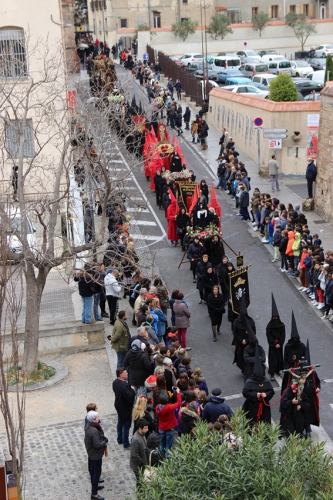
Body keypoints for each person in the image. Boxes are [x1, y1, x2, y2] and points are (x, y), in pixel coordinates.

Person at [242, 343, 274, 427]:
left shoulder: (265, 381)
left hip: (264, 406)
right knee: (252, 423)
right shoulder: (249, 382)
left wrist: (266, 394)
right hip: (252, 406)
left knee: (265, 423)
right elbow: (245, 392)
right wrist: (255, 395)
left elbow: (271, 391)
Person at [85, 410, 108, 500]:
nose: (99, 418)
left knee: (93, 472)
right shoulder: (94, 431)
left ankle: (94, 486)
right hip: (96, 455)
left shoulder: (88, 426)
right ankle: (94, 494)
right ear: (94, 420)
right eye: (97, 417)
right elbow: (97, 444)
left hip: (92, 453)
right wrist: (105, 441)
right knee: (96, 473)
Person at [232, 296, 256, 378]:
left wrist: (247, 340)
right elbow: (235, 333)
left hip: (249, 344)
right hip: (240, 344)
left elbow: (253, 333)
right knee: (241, 358)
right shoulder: (237, 322)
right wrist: (241, 340)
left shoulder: (251, 322)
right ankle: (243, 370)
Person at [112, 367, 135, 450]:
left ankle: (120, 439)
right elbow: (129, 397)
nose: (127, 373)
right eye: (125, 373)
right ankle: (126, 443)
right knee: (126, 425)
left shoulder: (115, 382)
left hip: (118, 405)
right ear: (121, 375)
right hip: (125, 407)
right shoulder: (124, 386)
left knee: (120, 422)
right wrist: (132, 390)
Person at [155, 389, 182, 457]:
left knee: (162, 443)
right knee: (168, 445)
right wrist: (178, 393)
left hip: (161, 427)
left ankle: (161, 455)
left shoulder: (157, 407)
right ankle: (167, 458)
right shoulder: (169, 407)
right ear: (167, 400)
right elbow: (179, 403)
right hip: (169, 428)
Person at [266, 294, 285, 381]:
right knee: (272, 359)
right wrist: (274, 344)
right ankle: (272, 373)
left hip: (279, 345)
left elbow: (283, 335)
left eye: (277, 317)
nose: (275, 319)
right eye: (274, 317)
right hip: (273, 346)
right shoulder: (269, 326)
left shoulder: (281, 325)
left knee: (279, 358)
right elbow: (269, 336)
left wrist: (280, 343)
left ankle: (278, 371)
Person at [130, 418, 149, 488]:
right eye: (145, 428)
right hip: (138, 466)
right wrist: (142, 463)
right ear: (140, 428)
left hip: (142, 464)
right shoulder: (136, 439)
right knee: (140, 482)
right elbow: (134, 455)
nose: (147, 429)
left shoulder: (143, 435)